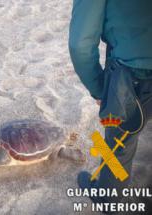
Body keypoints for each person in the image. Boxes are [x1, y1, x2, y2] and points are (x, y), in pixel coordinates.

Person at [69, 0, 152, 208]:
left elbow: (80, 44)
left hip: (131, 78)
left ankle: (109, 198)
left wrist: (99, 90)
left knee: (119, 144)